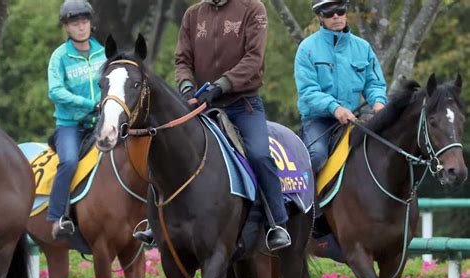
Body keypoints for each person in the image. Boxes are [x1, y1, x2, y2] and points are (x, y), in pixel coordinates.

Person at [134, 0, 291, 252]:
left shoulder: (253, 8)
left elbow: (253, 58)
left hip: (242, 104)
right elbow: (182, 60)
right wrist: (186, 87)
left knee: (259, 155)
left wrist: (221, 85)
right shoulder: (192, 14)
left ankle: (277, 223)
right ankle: (156, 222)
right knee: (166, 150)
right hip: (199, 104)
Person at [294, 0, 387, 256]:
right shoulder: (307, 49)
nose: (336, 16)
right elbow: (308, 91)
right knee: (316, 156)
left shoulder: (363, 48)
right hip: (320, 120)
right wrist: (335, 108)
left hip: (357, 118)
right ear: (320, 17)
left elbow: (375, 84)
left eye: (341, 11)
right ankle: (310, 220)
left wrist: (379, 103)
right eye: (329, 13)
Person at [47, 0, 106, 240]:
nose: (81, 27)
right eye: (74, 23)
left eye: (84, 22)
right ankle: (57, 217)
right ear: (67, 27)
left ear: (91, 24)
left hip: (102, 122)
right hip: (71, 126)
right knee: (69, 161)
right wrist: (88, 104)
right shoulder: (59, 57)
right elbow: (55, 91)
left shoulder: (102, 52)